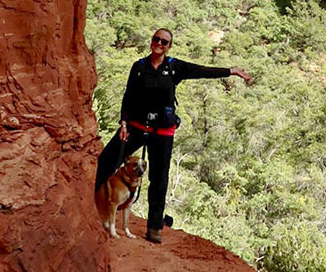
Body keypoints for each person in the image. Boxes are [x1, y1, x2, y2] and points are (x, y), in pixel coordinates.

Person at [94, 27, 251, 243]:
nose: (159, 43)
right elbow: (128, 96)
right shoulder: (139, 67)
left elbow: (201, 70)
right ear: (151, 41)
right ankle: (94, 205)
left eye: (164, 41)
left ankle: (154, 227)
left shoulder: (173, 67)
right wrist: (123, 123)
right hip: (136, 126)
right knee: (107, 160)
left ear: (169, 46)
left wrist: (231, 71)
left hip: (162, 131)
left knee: (159, 178)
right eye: (156, 39)